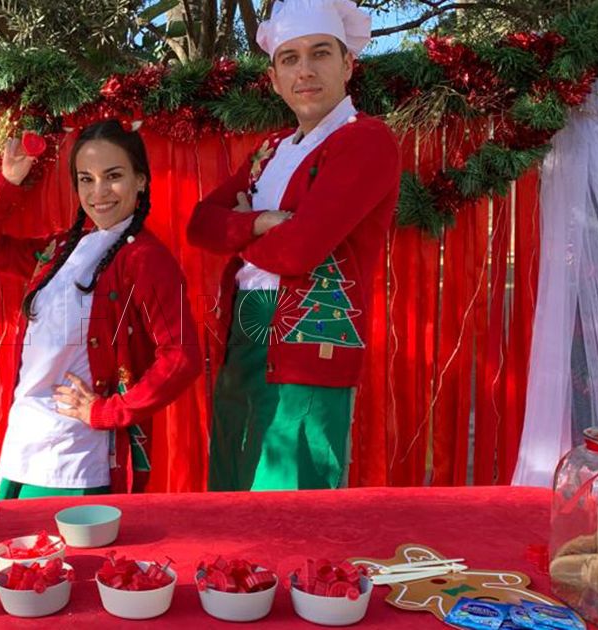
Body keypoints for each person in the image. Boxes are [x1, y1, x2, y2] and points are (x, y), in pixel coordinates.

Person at [187, 0, 401, 491]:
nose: (304, 70)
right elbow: (200, 224)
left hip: (308, 341)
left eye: (320, 54)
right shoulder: (270, 150)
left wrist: (239, 229)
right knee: (233, 483)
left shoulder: (365, 141)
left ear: (347, 64)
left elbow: (298, 253)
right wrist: (261, 221)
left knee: (290, 499)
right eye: (290, 58)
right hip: (244, 338)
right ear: (275, 77)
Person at [0, 120, 202, 499]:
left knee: (56, 558)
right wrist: (8, 182)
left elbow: (181, 357)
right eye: (86, 179)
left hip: (75, 459)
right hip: (22, 447)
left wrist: (109, 411)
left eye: (113, 176)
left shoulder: (145, 259)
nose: (98, 191)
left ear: (141, 180)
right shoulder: (62, 250)